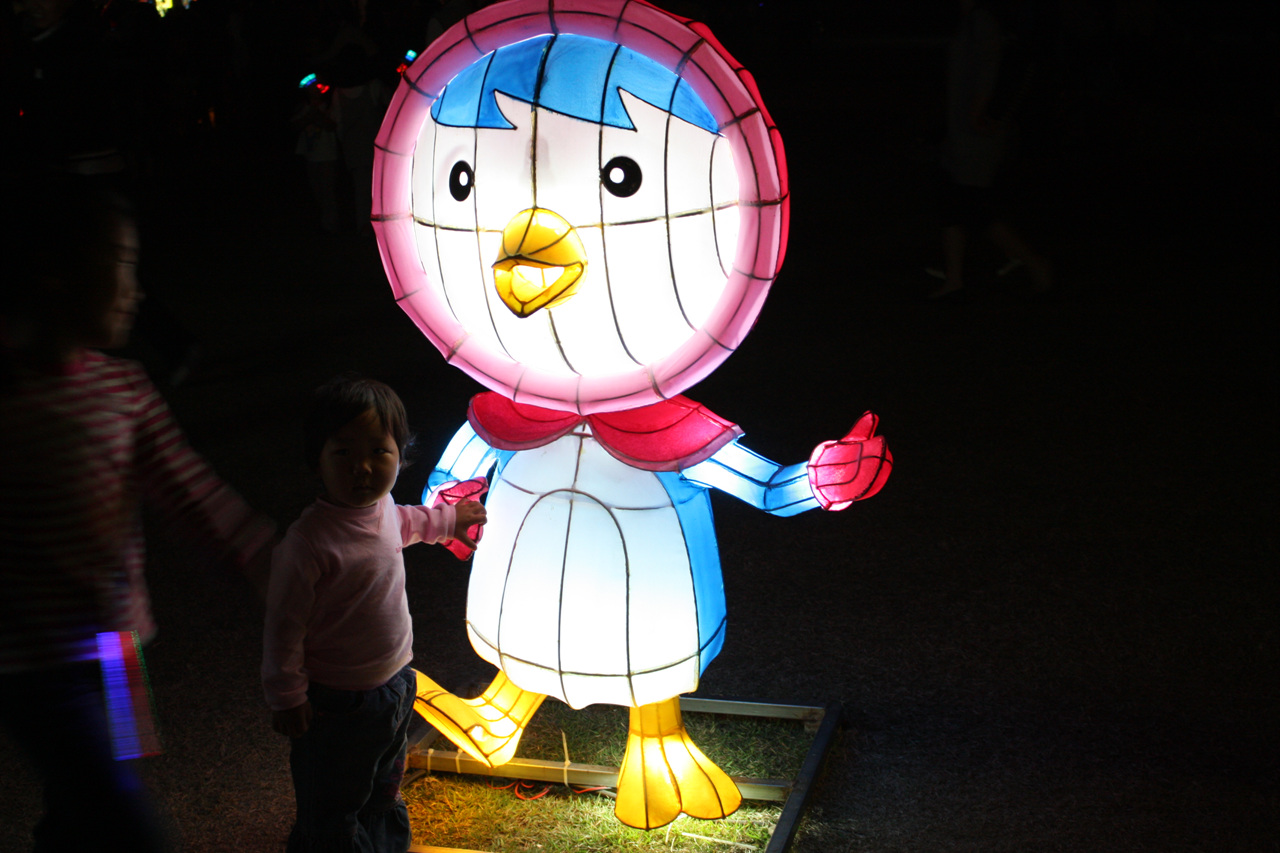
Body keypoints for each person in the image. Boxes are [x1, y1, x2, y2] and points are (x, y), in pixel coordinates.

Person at [0, 181, 275, 852]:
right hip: (37, 662)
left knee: (90, 798)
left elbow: (193, 493)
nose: (138, 288)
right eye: (122, 264)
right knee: (120, 812)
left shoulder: (124, 390)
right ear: (56, 274)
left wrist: (268, 559)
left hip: (120, 648)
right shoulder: (11, 398)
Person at [262, 374, 487, 852]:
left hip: (396, 683)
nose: (362, 467)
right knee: (333, 800)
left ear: (400, 455)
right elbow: (283, 627)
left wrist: (449, 520)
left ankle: (381, 839)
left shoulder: (381, 508)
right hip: (337, 702)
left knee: (382, 783)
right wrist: (287, 695)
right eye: (343, 452)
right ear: (317, 459)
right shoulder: (308, 544)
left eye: (378, 451)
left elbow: (406, 522)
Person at [931, 0, 1053, 299]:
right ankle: (955, 278)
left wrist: (977, 114)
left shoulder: (981, 22)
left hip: (974, 135)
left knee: (974, 207)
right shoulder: (972, 22)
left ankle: (1033, 262)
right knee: (953, 203)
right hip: (962, 132)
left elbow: (988, 68)